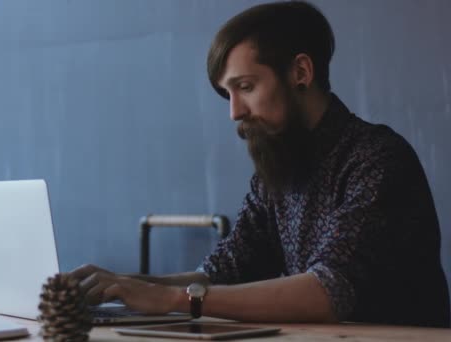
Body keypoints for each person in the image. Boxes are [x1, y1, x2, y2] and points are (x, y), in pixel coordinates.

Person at [71, 0, 450, 327]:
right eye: (227, 94)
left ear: (301, 73)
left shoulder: (377, 159)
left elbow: (328, 290)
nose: (235, 112)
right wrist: (123, 285)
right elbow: (221, 273)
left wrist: (175, 300)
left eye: (246, 87)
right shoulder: (275, 173)